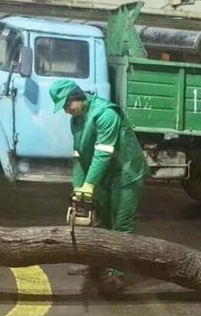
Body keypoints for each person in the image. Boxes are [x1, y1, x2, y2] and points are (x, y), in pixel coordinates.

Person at [49, 80, 150, 294]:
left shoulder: (106, 114)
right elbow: (79, 155)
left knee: (121, 226)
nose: (66, 110)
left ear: (77, 97)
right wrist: (79, 188)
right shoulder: (76, 120)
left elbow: (103, 153)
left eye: (67, 105)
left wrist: (89, 184)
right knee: (103, 223)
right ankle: (98, 264)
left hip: (126, 173)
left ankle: (116, 274)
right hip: (104, 176)